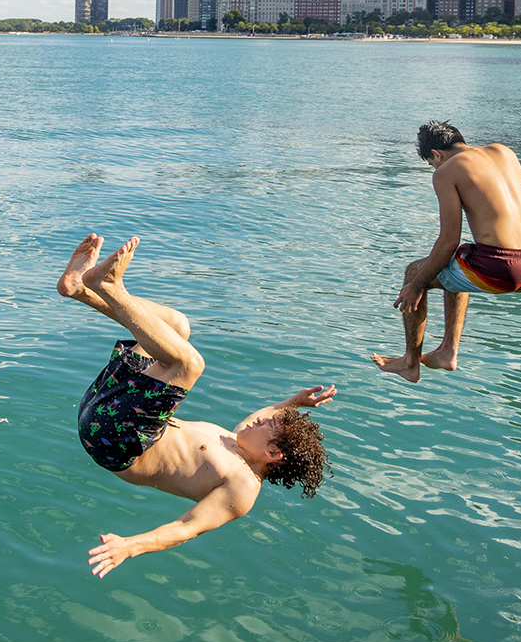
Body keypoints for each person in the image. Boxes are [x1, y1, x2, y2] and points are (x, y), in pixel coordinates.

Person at [57, 234, 334, 578]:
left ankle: (110, 286)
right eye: (265, 420)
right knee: (177, 326)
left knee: (190, 365)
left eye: (267, 427)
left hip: (117, 442)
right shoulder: (236, 440)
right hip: (109, 410)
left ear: (273, 453)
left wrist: (131, 546)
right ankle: (81, 289)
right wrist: (293, 402)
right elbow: (264, 416)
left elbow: (187, 527)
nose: (258, 421)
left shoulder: (242, 486)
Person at [371, 120, 521, 384]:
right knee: (461, 258)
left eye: (432, 163)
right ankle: (448, 351)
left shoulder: (447, 171)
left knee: (415, 272)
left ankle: (409, 363)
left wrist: (416, 287)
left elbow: (448, 240)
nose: (435, 169)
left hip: (502, 269)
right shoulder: (504, 152)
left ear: (437, 154)